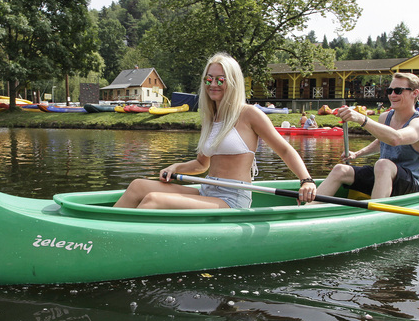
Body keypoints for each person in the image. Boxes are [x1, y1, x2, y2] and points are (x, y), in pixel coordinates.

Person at [114, 53, 318, 209]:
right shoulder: (211, 117)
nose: (213, 84)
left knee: (153, 200)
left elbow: (284, 150)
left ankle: (116, 245)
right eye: (209, 79)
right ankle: (105, 233)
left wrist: (306, 180)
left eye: (220, 79)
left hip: (232, 199)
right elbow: (202, 164)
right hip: (207, 190)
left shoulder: (249, 114)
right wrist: (176, 166)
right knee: (138, 186)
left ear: (233, 82)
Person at [314, 72, 419, 200]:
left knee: (382, 165)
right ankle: (308, 211)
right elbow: (381, 141)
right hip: (382, 175)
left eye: (398, 91)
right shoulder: (385, 117)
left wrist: (362, 119)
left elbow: (396, 139)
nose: (392, 95)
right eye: (390, 90)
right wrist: (357, 154)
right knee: (340, 169)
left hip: (410, 184)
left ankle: (376, 214)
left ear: (415, 93)